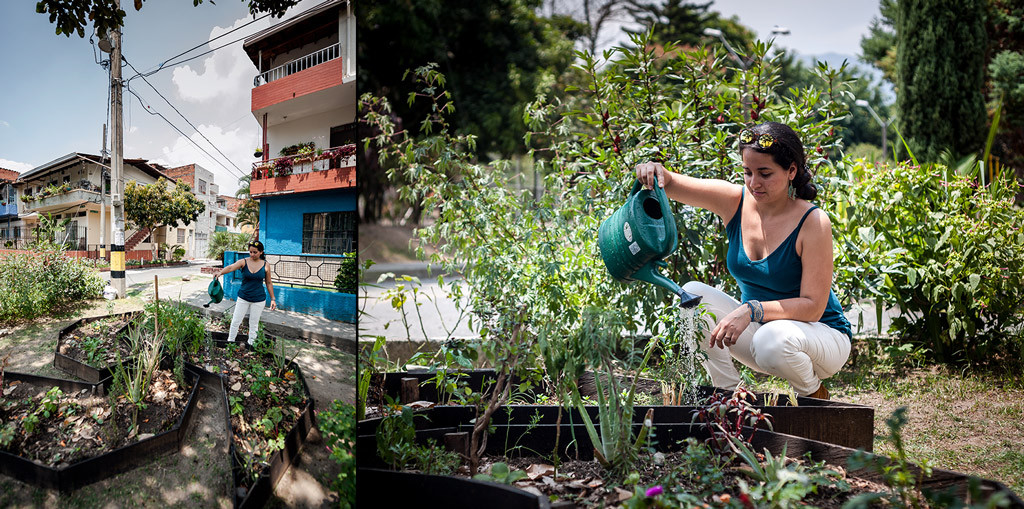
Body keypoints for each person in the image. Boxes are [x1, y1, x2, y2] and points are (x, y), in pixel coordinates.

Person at [634, 122, 851, 399]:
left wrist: (751, 309)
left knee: (771, 340)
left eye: (765, 173)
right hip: (761, 336)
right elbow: (673, 183)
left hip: (821, 339)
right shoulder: (735, 201)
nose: (753, 183)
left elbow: (812, 308)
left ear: (791, 171)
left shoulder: (813, 221)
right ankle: (726, 395)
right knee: (694, 295)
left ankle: (812, 395)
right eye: (748, 172)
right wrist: (654, 171)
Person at [214, 240, 277, 346]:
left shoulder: (266, 265)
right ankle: (230, 343)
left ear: (261, 252)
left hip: (259, 299)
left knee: (253, 324)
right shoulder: (244, 262)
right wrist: (220, 272)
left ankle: (251, 345)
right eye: (250, 252)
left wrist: (273, 299)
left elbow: (269, 282)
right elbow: (231, 267)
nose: (252, 254)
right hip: (243, 298)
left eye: (255, 252)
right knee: (235, 322)